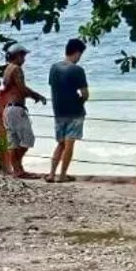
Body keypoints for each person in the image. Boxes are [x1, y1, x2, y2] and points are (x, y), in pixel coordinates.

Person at [47, 38, 89, 183]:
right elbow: (85, 94)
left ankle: (52, 174)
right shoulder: (77, 70)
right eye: (80, 54)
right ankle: (63, 175)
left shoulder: (54, 68)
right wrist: (80, 101)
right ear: (77, 53)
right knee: (69, 144)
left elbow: (54, 88)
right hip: (74, 111)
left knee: (60, 143)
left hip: (58, 111)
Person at [0, 44, 44, 177]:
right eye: (23, 56)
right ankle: (18, 167)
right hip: (17, 109)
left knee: (13, 141)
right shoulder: (17, 69)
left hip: (8, 109)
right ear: (17, 56)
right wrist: (37, 96)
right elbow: (22, 89)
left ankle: (18, 170)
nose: (24, 59)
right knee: (28, 139)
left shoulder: (7, 69)